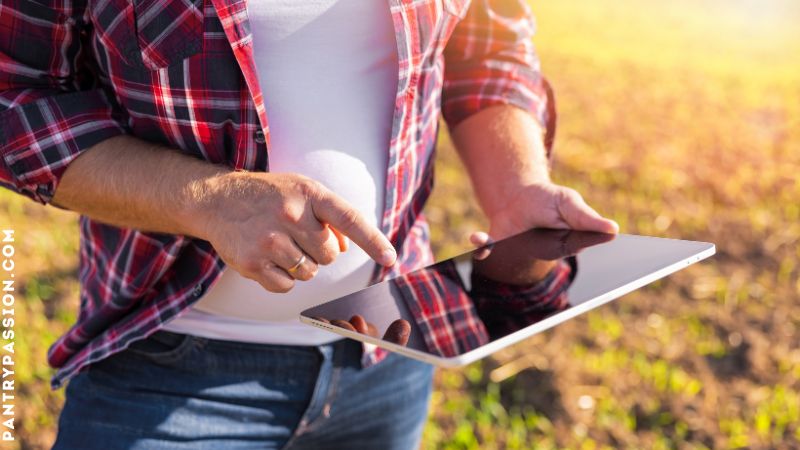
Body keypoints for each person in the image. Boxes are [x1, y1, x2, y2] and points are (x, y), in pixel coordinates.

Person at [0, 0, 618, 448]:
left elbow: (488, 47)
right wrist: (212, 200)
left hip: (388, 354)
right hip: (165, 373)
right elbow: (14, 100)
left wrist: (516, 186)